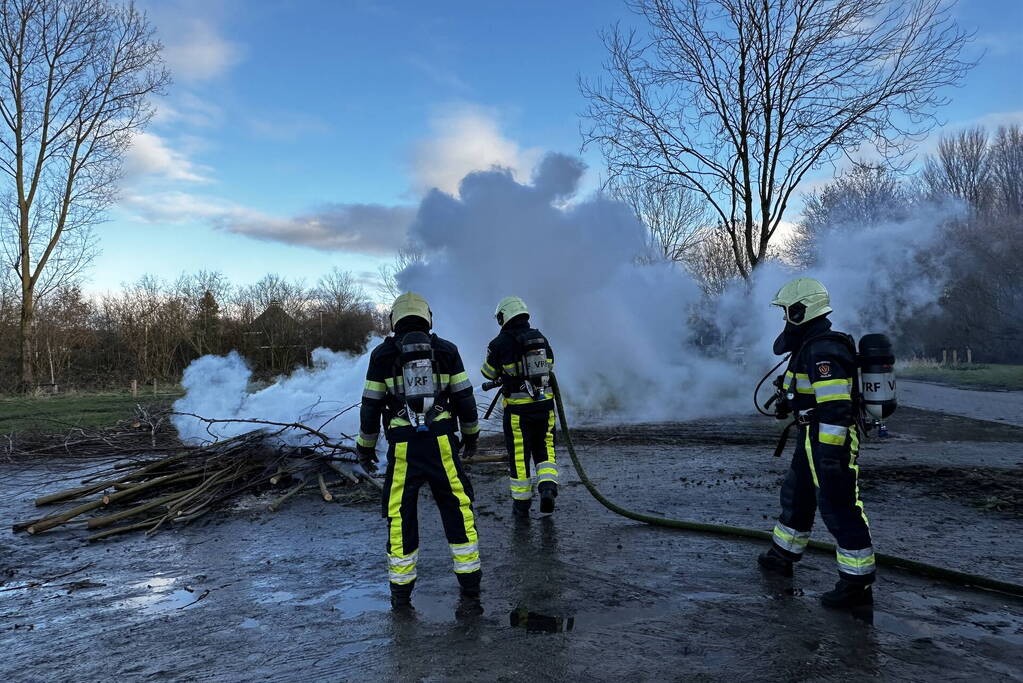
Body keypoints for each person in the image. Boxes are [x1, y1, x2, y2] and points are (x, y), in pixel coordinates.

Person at [356, 292, 482, 612]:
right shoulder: (447, 351)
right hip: (440, 442)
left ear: (394, 319)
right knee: (457, 507)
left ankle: (401, 593)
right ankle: (470, 585)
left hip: (403, 447)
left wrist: (365, 447)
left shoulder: (382, 355)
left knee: (400, 514)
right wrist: (471, 436)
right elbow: (465, 399)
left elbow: (371, 405)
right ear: (428, 318)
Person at [758, 277, 876, 608]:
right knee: (797, 496)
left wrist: (829, 453)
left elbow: (836, 408)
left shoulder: (824, 349)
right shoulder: (810, 346)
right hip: (811, 436)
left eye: (787, 312)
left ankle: (856, 584)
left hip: (828, 439)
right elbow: (806, 391)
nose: (785, 319)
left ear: (801, 310)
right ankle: (783, 556)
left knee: (839, 506)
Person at [481, 296, 558, 519]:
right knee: (545, 448)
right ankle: (547, 488)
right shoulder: (539, 337)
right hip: (545, 406)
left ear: (504, 316)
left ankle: (522, 505)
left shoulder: (499, 342)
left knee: (519, 456)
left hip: (517, 413)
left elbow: (488, 373)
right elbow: (551, 364)